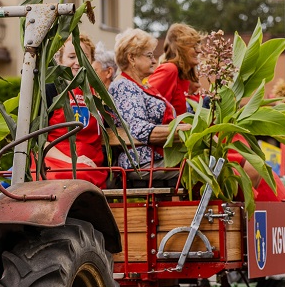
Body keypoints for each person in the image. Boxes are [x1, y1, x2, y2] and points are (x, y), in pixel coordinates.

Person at [109, 28, 190, 171]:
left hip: (156, 157)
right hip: (142, 162)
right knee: (203, 167)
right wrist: (182, 130)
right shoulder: (123, 86)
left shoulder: (141, 86)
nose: (154, 61)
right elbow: (139, 129)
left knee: (211, 161)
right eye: (149, 55)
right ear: (131, 58)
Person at [44, 34, 107, 187]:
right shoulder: (50, 91)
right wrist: (73, 161)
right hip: (57, 162)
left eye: (84, 56)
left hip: (92, 163)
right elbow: (38, 142)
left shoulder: (98, 95)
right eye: (72, 56)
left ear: (91, 61)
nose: (78, 62)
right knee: (78, 177)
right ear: (60, 60)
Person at [147, 22, 200, 112]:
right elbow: (147, 104)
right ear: (181, 48)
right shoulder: (169, 69)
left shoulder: (183, 76)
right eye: (194, 47)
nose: (198, 50)